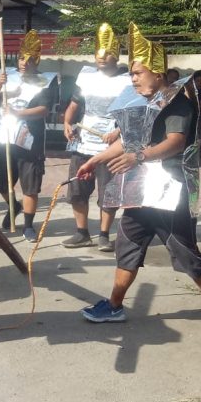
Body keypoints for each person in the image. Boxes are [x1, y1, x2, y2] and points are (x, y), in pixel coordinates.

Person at [76, 24, 201, 342]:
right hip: (139, 189)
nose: (132, 78)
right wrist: (96, 159)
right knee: (127, 245)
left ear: (158, 74)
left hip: (169, 191)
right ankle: (116, 305)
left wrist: (139, 157)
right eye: (131, 73)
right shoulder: (138, 105)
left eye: (138, 72)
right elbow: (128, 142)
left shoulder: (178, 104)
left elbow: (176, 142)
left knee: (186, 253)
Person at [0, 29, 58, 242]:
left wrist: (17, 112)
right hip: (5, 135)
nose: (24, 62)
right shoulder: (6, 74)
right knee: (1, 181)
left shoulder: (46, 81)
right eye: (22, 57)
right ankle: (13, 206)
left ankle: (28, 225)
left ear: (37, 60)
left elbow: (44, 110)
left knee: (30, 184)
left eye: (30, 59)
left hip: (31, 138)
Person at [61, 23, 131, 251]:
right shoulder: (86, 75)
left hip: (109, 145)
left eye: (108, 52)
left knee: (108, 192)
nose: (102, 57)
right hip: (83, 142)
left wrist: (118, 132)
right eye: (100, 52)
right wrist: (67, 122)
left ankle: (103, 235)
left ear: (116, 55)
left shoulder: (127, 80)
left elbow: (131, 114)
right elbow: (74, 104)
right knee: (77, 190)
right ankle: (82, 232)